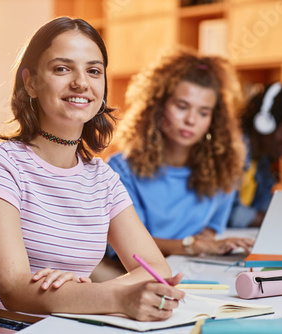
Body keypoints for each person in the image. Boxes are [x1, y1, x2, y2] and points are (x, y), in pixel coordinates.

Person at [0, 17, 185, 333]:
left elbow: (155, 268)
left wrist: (77, 291)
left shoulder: (102, 179)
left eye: (93, 70)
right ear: (31, 82)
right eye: (62, 69)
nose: (81, 83)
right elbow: (14, 290)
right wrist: (112, 296)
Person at [105, 48, 254, 261]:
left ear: (214, 119)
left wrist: (207, 244)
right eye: (182, 106)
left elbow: (210, 232)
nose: (191, 120)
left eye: (203, 112)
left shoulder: (223, 168)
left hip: (190, 270)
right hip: (137, 275)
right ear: (158, 106)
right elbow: (129, 246)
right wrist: (194, 246)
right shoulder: (121, 169)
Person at [227, 82, 282, 228]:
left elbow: (263, 206)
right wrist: (280, 218)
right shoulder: (230, 153)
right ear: (264, 123)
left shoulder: (262, 161)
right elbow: (228, 214)